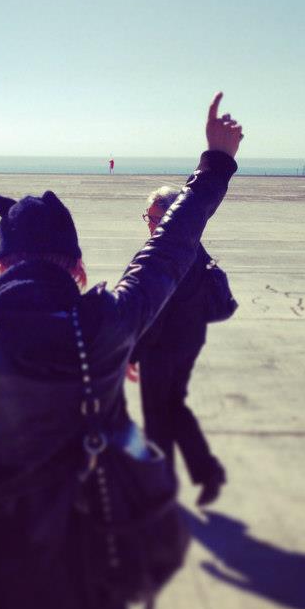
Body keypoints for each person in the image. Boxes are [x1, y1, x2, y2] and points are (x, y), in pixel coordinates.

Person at [0, 94, 243, 609]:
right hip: (96, 563)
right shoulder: (107, 324)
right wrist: (216, 161)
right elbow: (169, 249)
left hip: (1, 577)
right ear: (78, 269)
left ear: (0, 266)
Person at [128, 185, 228, 508]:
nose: (151, 225)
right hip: (187, 341)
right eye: (149, 218)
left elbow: (154, 311)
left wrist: (131, 352)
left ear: (173, 217)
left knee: (157, 416)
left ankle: (162, 488)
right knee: (173, 408)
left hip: (163, 347)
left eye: (157, 218)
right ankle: (207, 472)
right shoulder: (191, 244)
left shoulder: (167, 255)